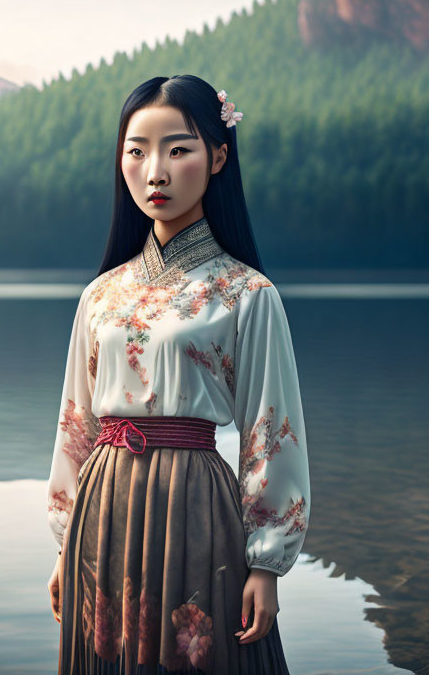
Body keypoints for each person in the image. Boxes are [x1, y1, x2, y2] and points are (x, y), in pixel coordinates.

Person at [45, 74, 311, 674]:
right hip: (102, 507)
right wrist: (65, 543)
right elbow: (75, 423)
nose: (155, 171)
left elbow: (272, 431)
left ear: (218, 156)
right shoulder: (101, 295)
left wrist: (266, 564)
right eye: (137, 151)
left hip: (195, 505)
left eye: (178, 148)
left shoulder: (247, 294)